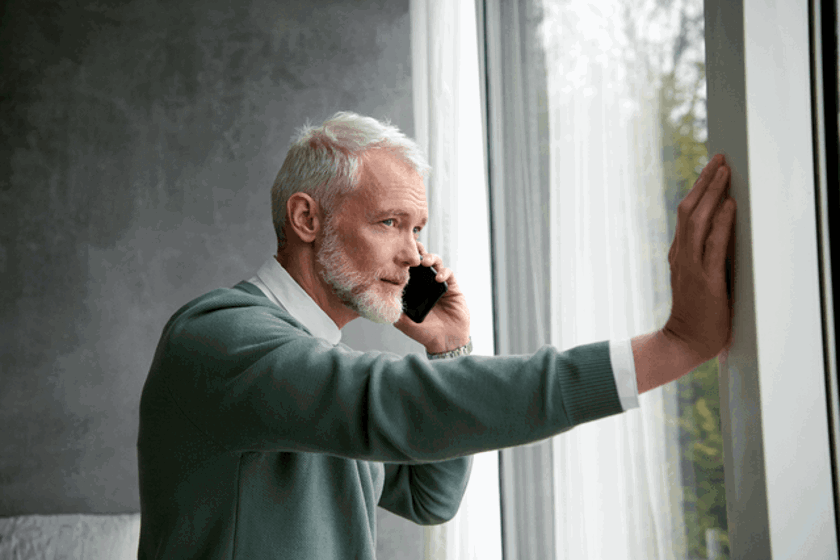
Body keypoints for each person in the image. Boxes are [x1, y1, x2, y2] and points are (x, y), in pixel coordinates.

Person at [137, 112, 736, 559]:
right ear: (306, 219)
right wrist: (674, 345)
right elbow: (396, 403)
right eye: (390, 223)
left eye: (418, 228)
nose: (413, 255)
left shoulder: (313, 362)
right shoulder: (218, 338)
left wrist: (450, 350)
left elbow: (430, 499)